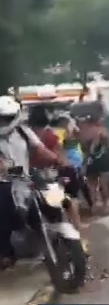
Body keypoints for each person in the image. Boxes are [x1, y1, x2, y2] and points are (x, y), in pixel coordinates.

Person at [0, 96, 66, 269]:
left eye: (6, 118)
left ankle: (61, 234)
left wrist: (57, 160)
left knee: (54, 197)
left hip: (27, 178)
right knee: (3, 210)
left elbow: (40, 149)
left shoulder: (23, 131)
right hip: (4, 184)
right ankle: (6, 252)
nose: (2, 121)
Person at [27, 106, 86, 233]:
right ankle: (77, 224)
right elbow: (59, 154)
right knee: (69, 198)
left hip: (31, 174)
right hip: (51, 173)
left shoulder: (27, 134)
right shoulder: (50, 135)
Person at [80, 115, 109, 214]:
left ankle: (94, 206)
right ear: (97, 120)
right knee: (104, 184)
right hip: (103, 158)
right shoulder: (102, 130)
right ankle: (105, 206)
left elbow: (82, 147)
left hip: (90, 160)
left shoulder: (83, 133)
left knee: (92, 185)